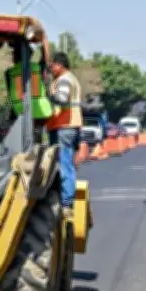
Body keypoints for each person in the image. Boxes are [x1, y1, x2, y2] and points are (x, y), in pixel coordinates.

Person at [45, 52, 82, 217]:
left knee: (64, 163)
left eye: (52, 65)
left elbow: (62, 98)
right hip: (67, 126)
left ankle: (66, 203)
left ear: (60, 65)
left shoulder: (65, 79)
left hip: (64, 126)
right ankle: (64, 199)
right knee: (63, 163)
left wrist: (48, 96)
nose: (51, 68)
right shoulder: (68, 78)